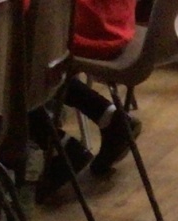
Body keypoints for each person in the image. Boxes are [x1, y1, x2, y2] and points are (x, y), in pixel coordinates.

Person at [33, 0, 144, 203]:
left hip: (89, 30)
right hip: (115, 20)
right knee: (22, 56)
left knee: (9, 62)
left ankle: (59, 147)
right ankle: (108, 117)